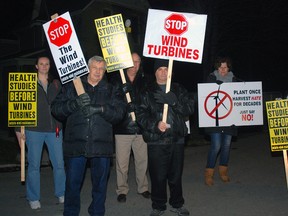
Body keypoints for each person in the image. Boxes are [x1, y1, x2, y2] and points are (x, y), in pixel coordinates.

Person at [51, 55, 126, 216]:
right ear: (88, 68)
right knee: (72, 184)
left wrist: (100, 109)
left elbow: (119, 113)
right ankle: (70, 212)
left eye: (101, 69)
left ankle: (97, 212)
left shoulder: (111, 89)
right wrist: (74, 103)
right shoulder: (72, 87)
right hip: (76, 144)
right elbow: (56, 109)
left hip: (101, 145)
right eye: (95, 68)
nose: (98, 72)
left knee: (100, 185)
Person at [136, 59, 194, 216]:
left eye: (166, 69)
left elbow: (190, 107)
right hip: (157, 139)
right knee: (158, 176)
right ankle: (158, 205)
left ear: (170, 72)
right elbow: (140, 115)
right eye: (160, 69)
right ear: (155, 72)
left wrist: (174, 102)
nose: (163, 72)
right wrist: (155, 124)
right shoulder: (147, 91)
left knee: (175, 176)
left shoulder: (178, 89)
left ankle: (177, 203)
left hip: (176, 139)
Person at [25, 56, 65, 209]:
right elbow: (19, 107)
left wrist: (60, 124)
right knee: (34, 165)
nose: (44, 66)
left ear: (50, 66)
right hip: (33, 130)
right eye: (41, 64)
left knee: (59, 164)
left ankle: (61, 192)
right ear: (36, 66)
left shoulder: (56, 84)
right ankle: (33, 197)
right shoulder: (27, 84)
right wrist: (18, 130)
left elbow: (63, 104)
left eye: (47, 64)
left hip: (54, 129)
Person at [110, 52, 150, 203]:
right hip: (123, 128)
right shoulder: (116, 80)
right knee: (122, 162)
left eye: (138, 62)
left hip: (140, 127)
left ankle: (143, 187)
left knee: (142, 161)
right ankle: (122, 189)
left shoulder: (145, 80)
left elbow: (148, 102)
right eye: (132, 62)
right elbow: (112, 102)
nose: (135, 65)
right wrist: (122, 92)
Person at [204, 56, 239, 186]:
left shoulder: (235, 80)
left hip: (230, 119)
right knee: (216, 145)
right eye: (220, 67)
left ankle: (223, 172)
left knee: (226, 146)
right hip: (214, 119)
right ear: (217, 67)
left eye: (225, 67)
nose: (223, 70)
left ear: (229, 68)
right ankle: (209, 173)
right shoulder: (211, 78)